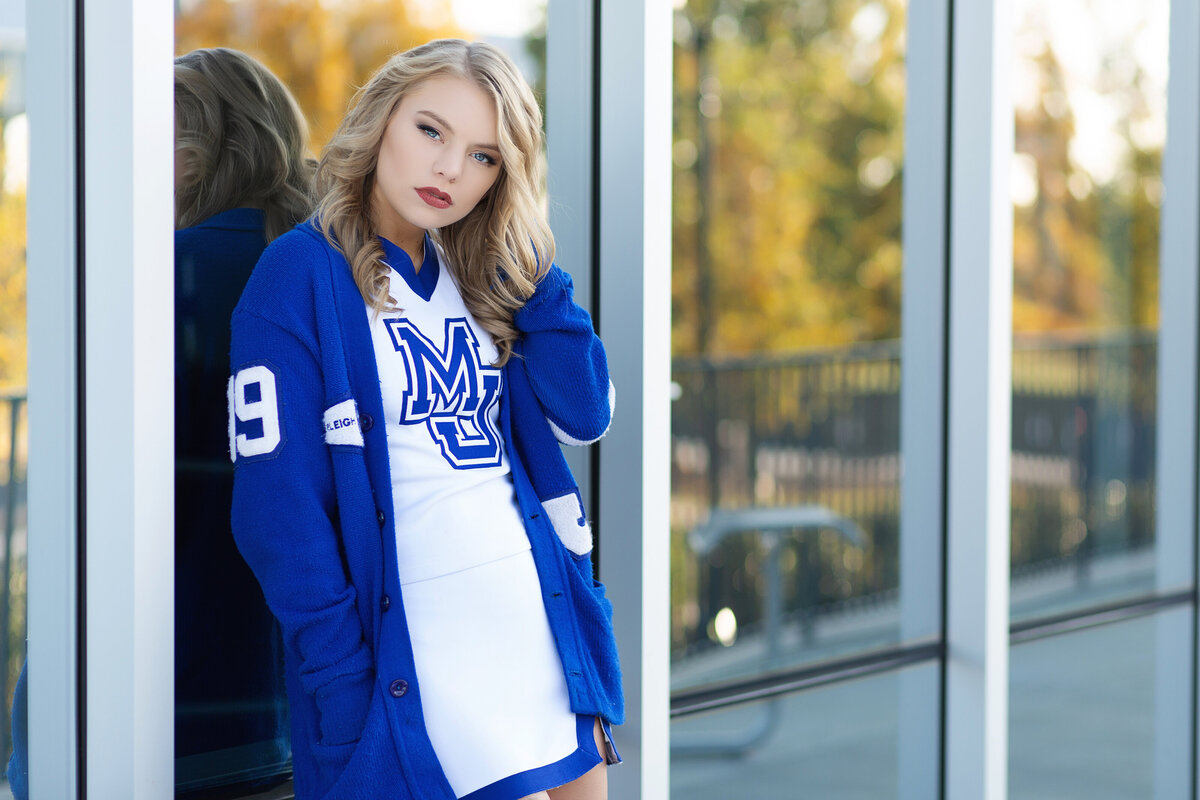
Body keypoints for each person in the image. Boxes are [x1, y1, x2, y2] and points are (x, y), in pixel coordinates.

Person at [228, 39, 623, 800]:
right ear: (382, 120)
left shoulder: (479, 273)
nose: (449, 169)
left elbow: (586, 414)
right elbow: (280, 520)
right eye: (431, 132)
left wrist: (533, 271)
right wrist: (344, 684)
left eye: (483, 157)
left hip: (537, 629)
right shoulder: (298, 277)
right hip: (420, 662)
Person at [174, 47, 314, 791]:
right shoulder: (334, 268)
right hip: (300, 688)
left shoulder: (169, 271)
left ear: (193, 159)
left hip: (180, 692)